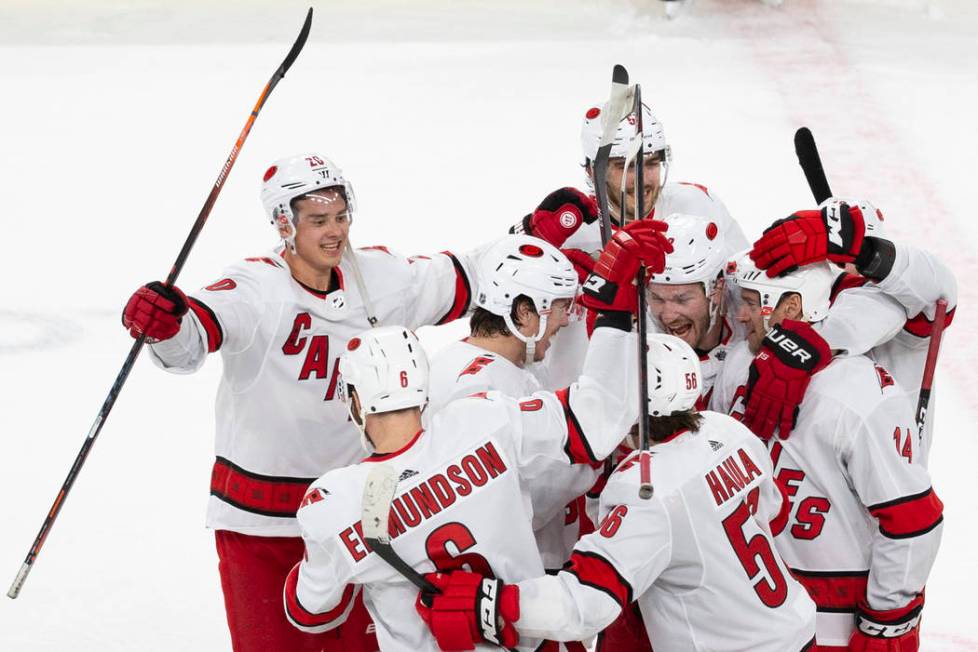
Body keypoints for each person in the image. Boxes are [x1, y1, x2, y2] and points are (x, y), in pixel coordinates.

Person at [120, 153, 481, 652]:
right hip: (262, 524)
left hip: (361, 513)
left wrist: (540, 231)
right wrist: (167, 325)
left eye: (340, 217)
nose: (335, 232)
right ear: (284, 223)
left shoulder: (380, 275)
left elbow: (468, 278)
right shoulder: (254, 287)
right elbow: (193, 340)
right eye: (318, 221)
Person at [282, 223, 670, 650]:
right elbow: (596, 419)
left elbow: (309, 612)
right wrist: (613, 309)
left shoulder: (338, 502)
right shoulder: (481, 419)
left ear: (354, 403)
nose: (565, 317)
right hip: (530, 623)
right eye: (558, 307)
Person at [415, 335, 817, 652]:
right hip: (795, 629)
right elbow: (774, 516)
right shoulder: (726, 428)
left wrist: (494, 603)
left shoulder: (645, 487)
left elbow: (588, 602)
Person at [714, 254, 944, 650]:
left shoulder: (860, 394)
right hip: (747, 618)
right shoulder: (739, 364)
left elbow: (912, 520)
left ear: (791, 306)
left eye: (752, 302)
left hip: (833, 627)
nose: (741, 316)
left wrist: (887, 622)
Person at [746, 198, 957, 463]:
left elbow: (938, 288)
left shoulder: (901, 308)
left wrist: (865, 251)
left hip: (885, 488)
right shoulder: (808, 299)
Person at [426, 234, 589, 576]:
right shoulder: (475, 387)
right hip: (507, 585)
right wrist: (593, 457)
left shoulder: (494, 363)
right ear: (523, 312)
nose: (564, 319)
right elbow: (503, 505)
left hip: (524, 572)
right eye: (559, 306)